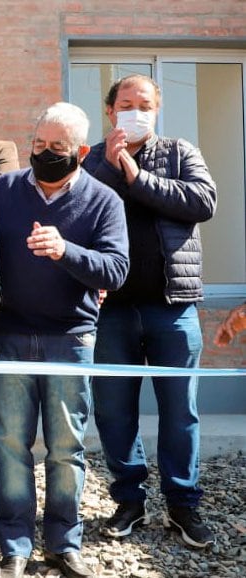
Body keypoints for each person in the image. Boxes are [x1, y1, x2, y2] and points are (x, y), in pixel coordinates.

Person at [0, 102, 129, 578]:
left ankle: (64, 544)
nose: (45, 154)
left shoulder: (104, 201)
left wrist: (67, 251)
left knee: (66, 448)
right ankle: (15, 545)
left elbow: (116, 269)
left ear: (82, 152)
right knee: (9, 445)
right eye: (39, 145)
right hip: (7, 336)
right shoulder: (1, 192)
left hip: (71, 339)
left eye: (58, 148)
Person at [82, 74, 218, 549]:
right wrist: (113, 167)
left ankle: (183, 504)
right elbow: (82, 214)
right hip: (111, 309)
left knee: (180, 412)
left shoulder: (181, 152)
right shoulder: (93, 159)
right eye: (125, 103)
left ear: (156, 110)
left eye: (144, 103)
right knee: (114, 412)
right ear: (109, 111)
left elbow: (203, 202)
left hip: (172, 307)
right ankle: (128, 499)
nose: (134, 110)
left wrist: (137, 176)